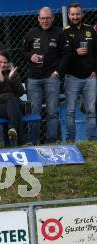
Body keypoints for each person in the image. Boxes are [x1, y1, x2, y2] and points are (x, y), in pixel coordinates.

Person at [21, 7, 71, 145]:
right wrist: (30, 56)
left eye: (48, 18)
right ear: (38, 18)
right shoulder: (31, 33)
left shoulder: (60, 33)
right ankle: (33, 142)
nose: (45, 21)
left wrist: (57, 72)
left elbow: (66, 54)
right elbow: (23, 52)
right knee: (34, 112)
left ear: (53, 18)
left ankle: (51, 141)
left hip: (52, 78)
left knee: (52, 112)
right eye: (42, 18)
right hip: (33, 79)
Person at [63, 3, 97, 142]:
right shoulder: (64, 32)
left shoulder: (91, 30)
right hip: (72, 77)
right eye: (72, 14)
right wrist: (75, 52)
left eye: (78, 14)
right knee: (70, 112)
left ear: (82, 14)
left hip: (90, 77)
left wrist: (95, 70)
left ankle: (92, 141)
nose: (75, 16)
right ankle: (71, 141)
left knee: (91, 111)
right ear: (68, 15)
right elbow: (62, 54)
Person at [0, 51, 25, 146]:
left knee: (12, 103)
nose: (2, 65)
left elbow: (21, 92)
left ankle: (9, 140)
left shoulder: (12, 72)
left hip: (11, 104)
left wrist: (11, 79)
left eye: (5, 62)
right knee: (15, 108)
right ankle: (20, 143)